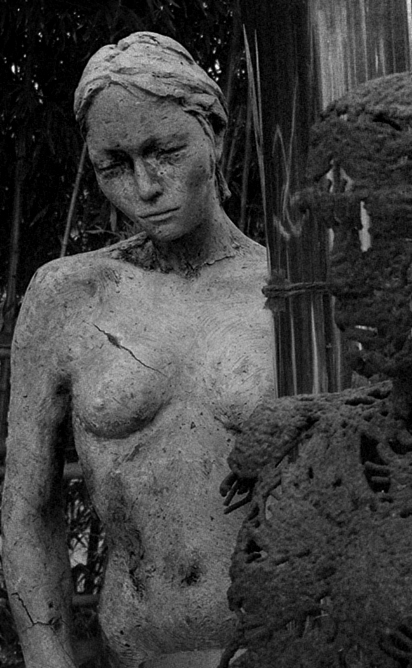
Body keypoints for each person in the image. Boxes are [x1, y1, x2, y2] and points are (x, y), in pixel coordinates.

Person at [1, 32, 274, 668]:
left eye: (165, 152)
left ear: (215, 135)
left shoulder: (288, 291)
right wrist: (47, 656)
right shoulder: (68, 297)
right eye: (114, 166)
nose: (146, 187)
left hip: (280, 643)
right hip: (138, 646)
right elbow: (27, 508)